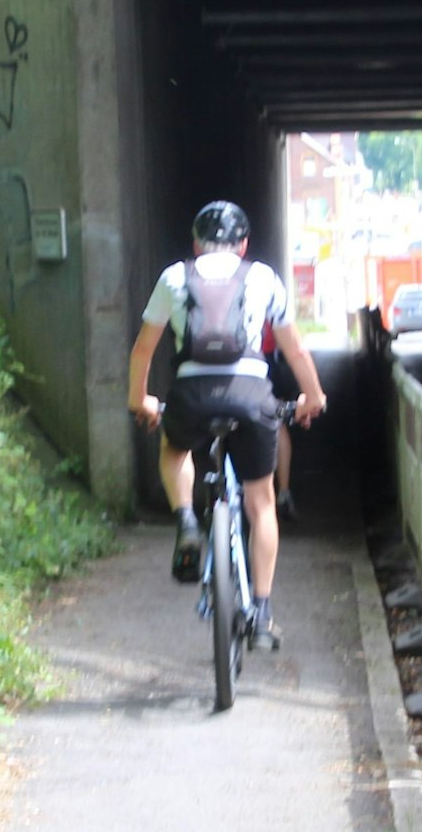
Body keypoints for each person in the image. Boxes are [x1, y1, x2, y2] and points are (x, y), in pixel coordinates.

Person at [128, 201, 325, 650]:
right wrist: (312, 398)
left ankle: (187, 521)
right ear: (244, 244)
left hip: (191, 395)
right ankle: (261, 613)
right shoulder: (262, 277)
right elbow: (295, 350)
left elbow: (143, 350)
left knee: (175, 449)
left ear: (196, 243)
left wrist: (138, 400)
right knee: (261, 503)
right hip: (252, 394)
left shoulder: (175, 277)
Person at [262, 322, 299, 521]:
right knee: (277, 421)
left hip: (222, 362)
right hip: (265, 361)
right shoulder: (267, 290)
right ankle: (283, 492)